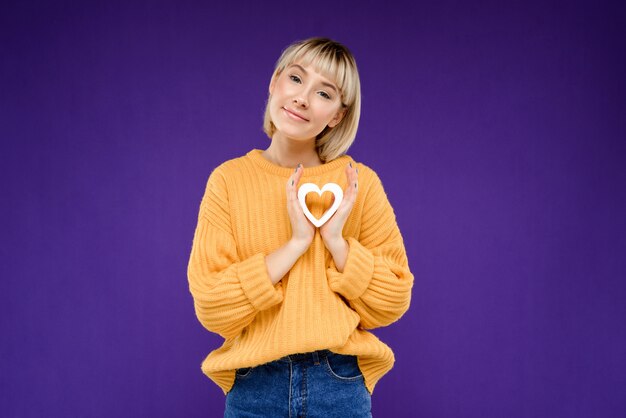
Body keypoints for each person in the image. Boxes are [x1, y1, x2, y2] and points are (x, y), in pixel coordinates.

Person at [187, 37, 414, 417]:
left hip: (338, 385)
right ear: (275, 82)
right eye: (295, 79)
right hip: (253, 386)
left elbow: (392, 301)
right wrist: (296, 244)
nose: (302, 98)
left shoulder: (360, 183)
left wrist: (337, 243)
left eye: (324, 93)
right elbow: (212, 306)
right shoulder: (228, 180)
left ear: (337, 116)